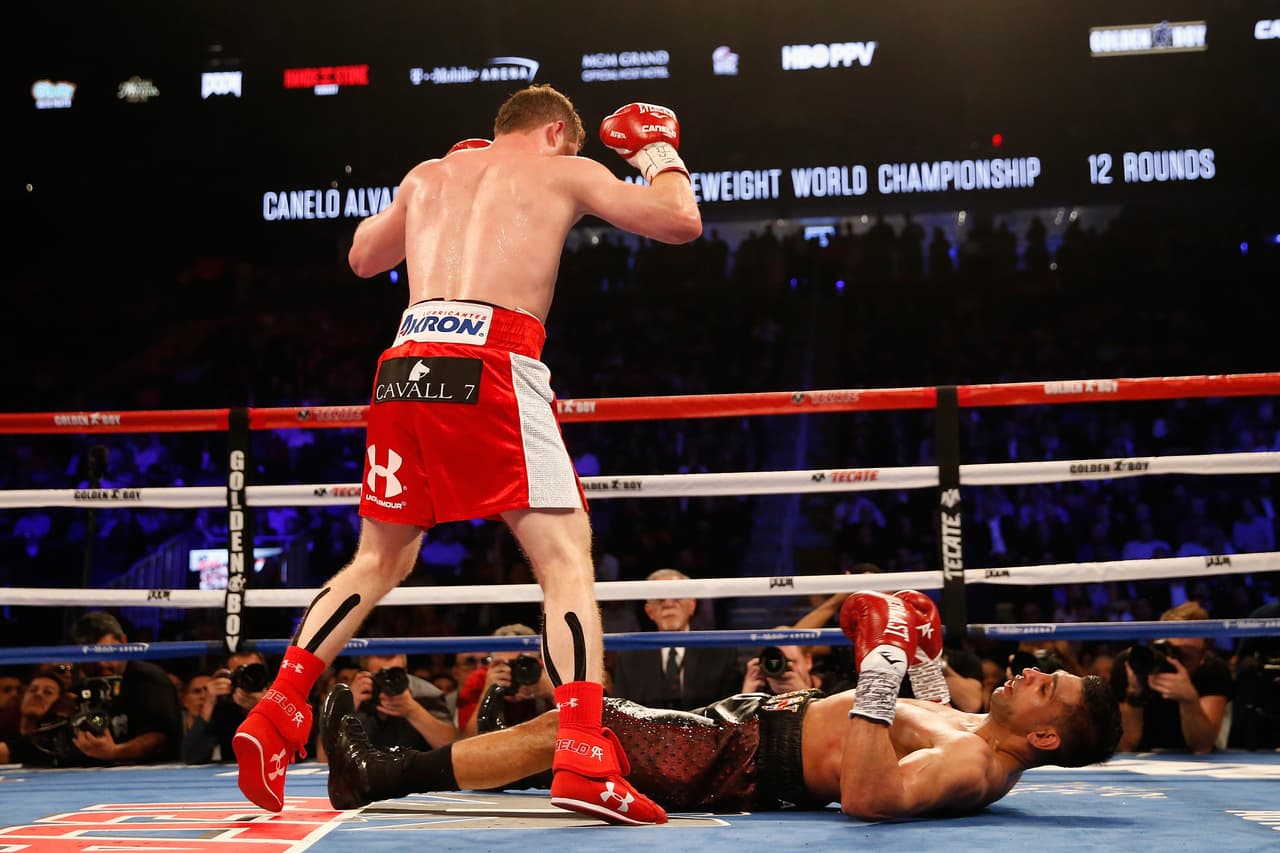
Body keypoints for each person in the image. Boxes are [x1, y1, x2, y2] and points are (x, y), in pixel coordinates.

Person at [233, 84, 701, 825]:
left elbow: (362, 256)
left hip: (403, 365)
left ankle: (276, 709)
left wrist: (440, 185)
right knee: (565, 559)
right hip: (492, 356)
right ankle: (584, 753)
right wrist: (656, 151)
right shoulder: (563, 168)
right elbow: (680, 220)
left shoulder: (431, 174)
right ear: (556, 131)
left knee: (377, 561)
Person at [322, 590, 1122, 820]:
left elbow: (872, 794)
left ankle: (381, 775)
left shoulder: (976, 766)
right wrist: (924, 662)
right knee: (570, 730)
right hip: (751, 734)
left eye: (1047, 686)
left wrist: (880, 679)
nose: (1031, 671)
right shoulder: (980, 732)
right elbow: (929, 720)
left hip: (746, 758)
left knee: (578, 725)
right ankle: (492, 751)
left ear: (1047, 736)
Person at [609, 569, 741, 710]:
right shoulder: (629, 658)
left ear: (691, 605)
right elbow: (622, 712)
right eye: (660, 599)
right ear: (649, 611)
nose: (668, 604)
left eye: (677, 597)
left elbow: (729, 711)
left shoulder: (720, 652)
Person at [65, 611, 184, 765]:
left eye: (107, 652)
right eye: (91, 656)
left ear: (124, 642)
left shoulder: (149, 679)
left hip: (151, 772)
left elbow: (159, 739)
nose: (102, 664)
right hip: (93, 772)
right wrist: (60, 717)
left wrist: (115, 752)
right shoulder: (79, 687)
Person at [1113, 601, 1233, 754]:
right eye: (1170, 650)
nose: (1174, 661)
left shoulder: (1213, 670)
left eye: (1185, 657)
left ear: (1203, 656)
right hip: (1143, 758)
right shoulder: (1132, 663)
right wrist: (1135, 695)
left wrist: (1189, 700)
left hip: (1192, 761)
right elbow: (1126, 746)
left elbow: (1201, 746)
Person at [456, 624, 555, 737]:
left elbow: (571, 731)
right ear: (492, 663)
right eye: (505, 664)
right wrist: (488, 694)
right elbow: (467, 740)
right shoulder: (480, 679)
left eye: (522, 664)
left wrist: (552, 693)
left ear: (537, 661)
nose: (513, 672)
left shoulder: (550, 674)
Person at [349, 652, 457, 750]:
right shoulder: (355, 694)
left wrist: (413, 711)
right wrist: (350, 704)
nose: (388, 681)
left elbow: (451, 747)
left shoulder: (427, 695)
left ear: (405, 672)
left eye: (394, 674)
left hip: (416, 764)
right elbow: (338, 750)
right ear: (365, 675)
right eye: (381, 675)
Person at [184, 651, 271, 764]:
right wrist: (209, 703)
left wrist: (266, 709)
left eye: (253, 671)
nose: (248, 678)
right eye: (241, 672)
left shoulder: (280, 700)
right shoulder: (221, 706)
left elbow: (293, 753)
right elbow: (193, 757)